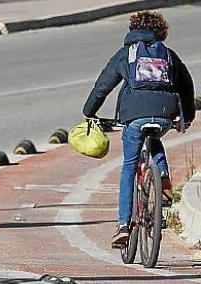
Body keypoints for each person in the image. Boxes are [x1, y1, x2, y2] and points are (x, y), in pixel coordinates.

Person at [83, 11, 195, 247]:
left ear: (132, 30)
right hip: (165, 114)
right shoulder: (168, 55)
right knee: (154, 137)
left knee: (129, 166)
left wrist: (89, 112)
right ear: (161, 31)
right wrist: (187, 117)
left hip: (134, 117)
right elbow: (186, 86)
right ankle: (162, 174)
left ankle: (123, 225)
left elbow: (103, 86)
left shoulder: (126, 54)